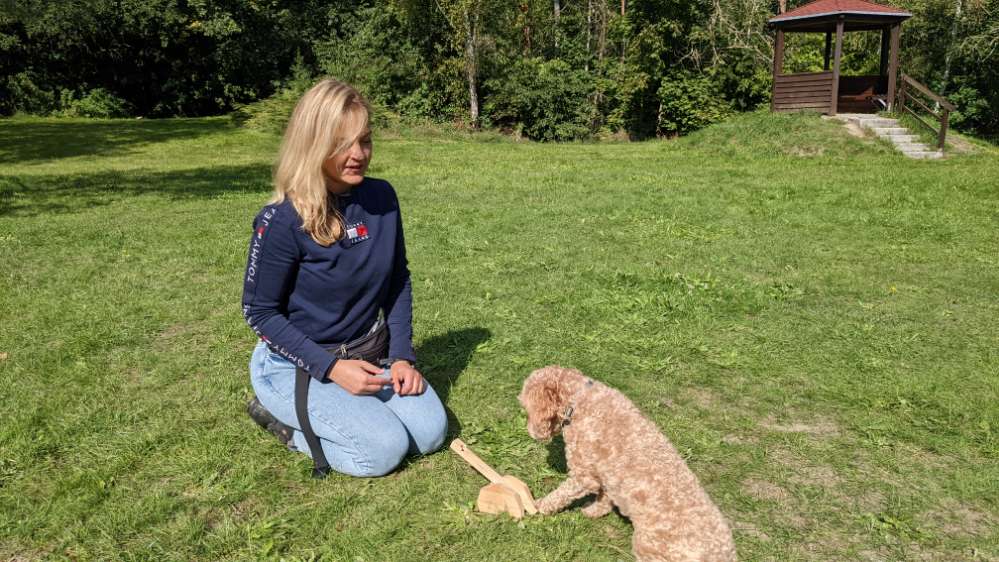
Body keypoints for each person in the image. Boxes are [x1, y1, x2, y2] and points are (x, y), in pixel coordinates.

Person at [241, 78, 447, 477]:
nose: (358, 155)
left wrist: (402, 355)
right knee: (382, 452)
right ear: (313, 143)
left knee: (430, 434)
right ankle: (284, 424)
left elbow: (397, 280)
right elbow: (259, 312)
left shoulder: (382, 198)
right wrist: (333, 370)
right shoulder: (283, 220)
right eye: (341, 144)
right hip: (296, 364)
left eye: (365, 140)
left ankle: (353, 404)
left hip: (369, 353)